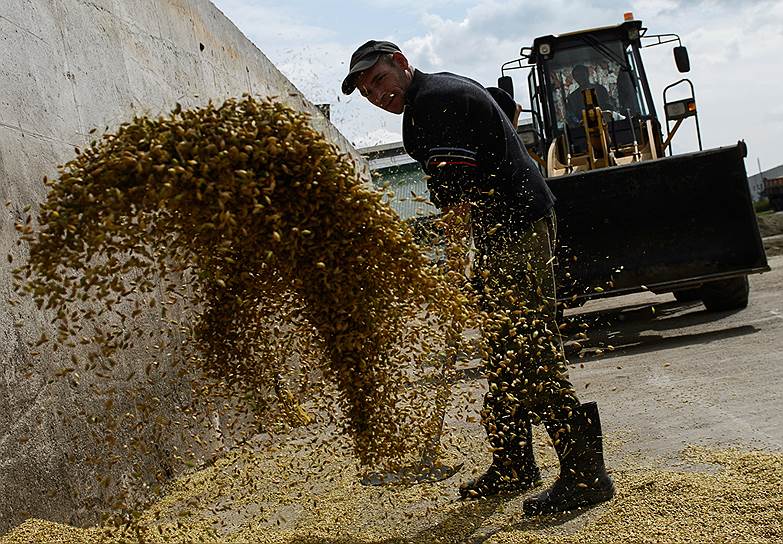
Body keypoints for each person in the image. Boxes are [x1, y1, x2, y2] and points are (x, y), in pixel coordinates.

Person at [341, 40, 614, 516]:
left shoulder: (434, 102)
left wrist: (452, 271)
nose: (376, 94)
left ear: (402, 64)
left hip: (518, 229)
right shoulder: (432, 101)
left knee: (527, 346)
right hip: (501, 232)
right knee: (503, 347)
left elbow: (455, 196)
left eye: (379, 80)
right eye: (366, 90)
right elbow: (500, 110)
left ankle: (586, 475)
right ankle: (514, 465)